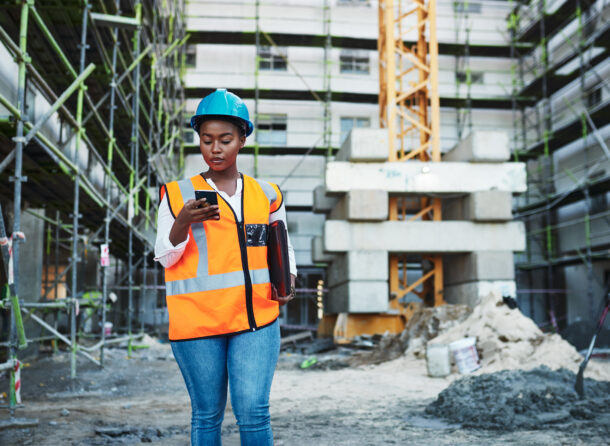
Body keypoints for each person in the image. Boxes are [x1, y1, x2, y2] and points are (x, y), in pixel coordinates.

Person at [154, 88, 297, 446]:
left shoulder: (267, 194)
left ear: (242, 140)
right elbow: (164, 256)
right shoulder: (176, 195)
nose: (215, 149)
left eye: (225, 140)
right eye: (206, 140)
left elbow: (283, 245)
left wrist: (288, 279)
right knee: (207, 415)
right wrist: (183, 221)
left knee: (253, 411)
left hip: (256, 321)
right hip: (199, 323)